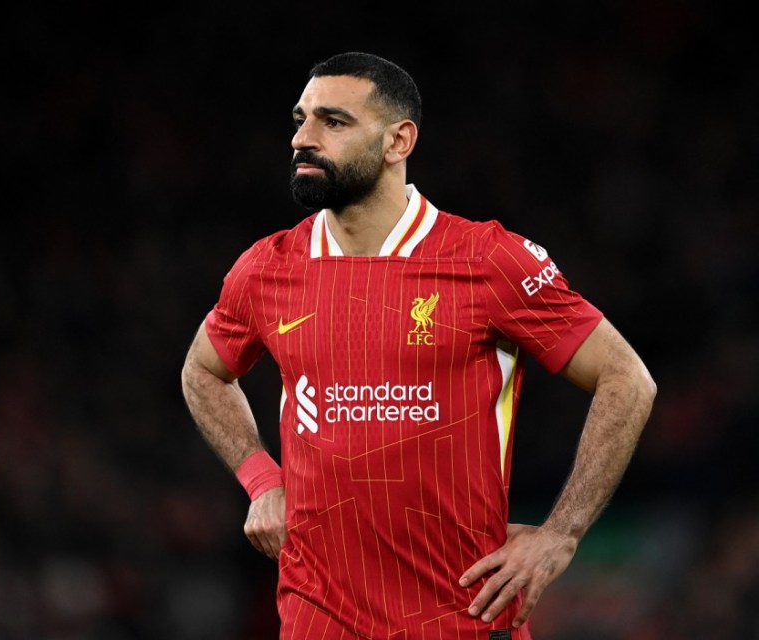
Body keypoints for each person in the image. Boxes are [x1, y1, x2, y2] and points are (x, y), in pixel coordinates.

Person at [180, 51, 656, 639]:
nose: (303, 138)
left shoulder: (486, 259)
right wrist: (261, 480)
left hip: (462, 617)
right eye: (299, 120)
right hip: (316, 616)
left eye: (333, 121)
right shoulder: (266, 269)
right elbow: (202, 372)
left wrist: (562, 533)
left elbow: (626, 379)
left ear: (398, 140)